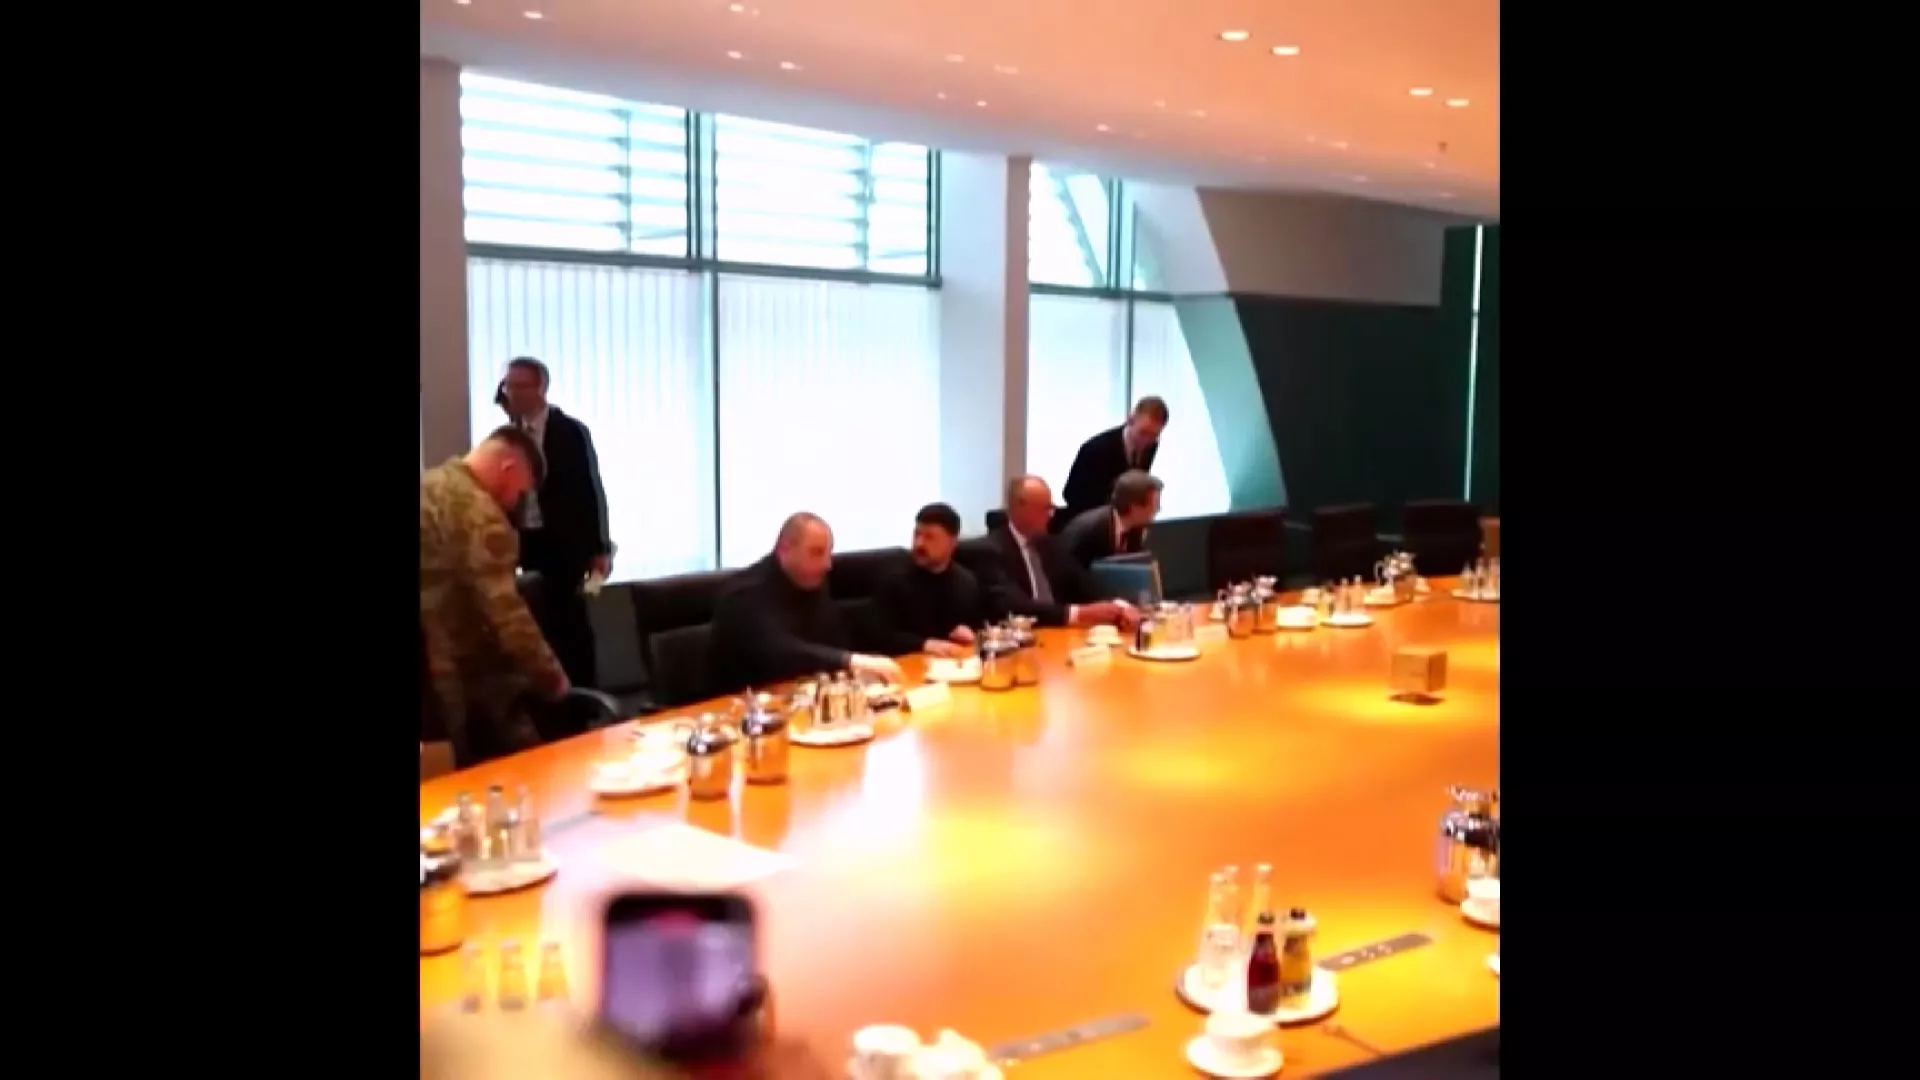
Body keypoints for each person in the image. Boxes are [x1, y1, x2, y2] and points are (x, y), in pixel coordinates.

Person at [421, 426, 570, 767]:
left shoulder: (429, 485)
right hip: (455, 676)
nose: (515, 503)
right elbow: (507, 615)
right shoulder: (482, 514)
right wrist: (553, 678)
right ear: (508, 467)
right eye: (521, 491)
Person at [500, 357, 615, 691]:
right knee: (536, 625)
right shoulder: (509, 436)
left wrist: (600, 548)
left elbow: (591, 490)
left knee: (571, 624)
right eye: (508, 386)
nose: (512, 394)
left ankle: (585, 696)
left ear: (541, 388)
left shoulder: (569, 432)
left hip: (567, 547)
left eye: (520, 386)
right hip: (527, 545)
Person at [709, 513, 905, 689]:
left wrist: (863, 665)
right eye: (817, 553)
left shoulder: (813, 581)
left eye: (828, 554)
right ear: (784, 549)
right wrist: (851, 661)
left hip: (807, 695)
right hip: (742, 703)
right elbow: (780, 650)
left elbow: (835, 640)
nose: (827, 564)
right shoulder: (743, 593)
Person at [965, 476, 1135, 629]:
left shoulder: (1051, 544)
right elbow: (1015, 607)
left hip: (1058, 637)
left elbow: (1086, 584)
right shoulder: (990, 551)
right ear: (1020, 508)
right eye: (1045, 508)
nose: (1051, 515)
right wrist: (1078, 614)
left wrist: (1121, 607)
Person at [870, 503, 990, 658]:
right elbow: (880, 637)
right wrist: (924, 644)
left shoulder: (967, 582)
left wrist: (970, 633)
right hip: (907, 664)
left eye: (929, 537)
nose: (919, 544)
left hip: (953, 663)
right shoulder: (893, 578)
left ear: (952, 542)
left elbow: (979, 627)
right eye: (917, 535)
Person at [1061, 396, 1169, 521]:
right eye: (1143, 432)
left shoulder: (1152, 446)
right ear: (1130, 420)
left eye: (1154, 435)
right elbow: (1071, 494)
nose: (1146, 441)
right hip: (1090, 520)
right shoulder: (1096, 449)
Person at [1057, 470, 1164, 569]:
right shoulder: (1091, 531)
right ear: (1134, 508)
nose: (1158, 509)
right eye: (1155, 505)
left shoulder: (1137, 529)